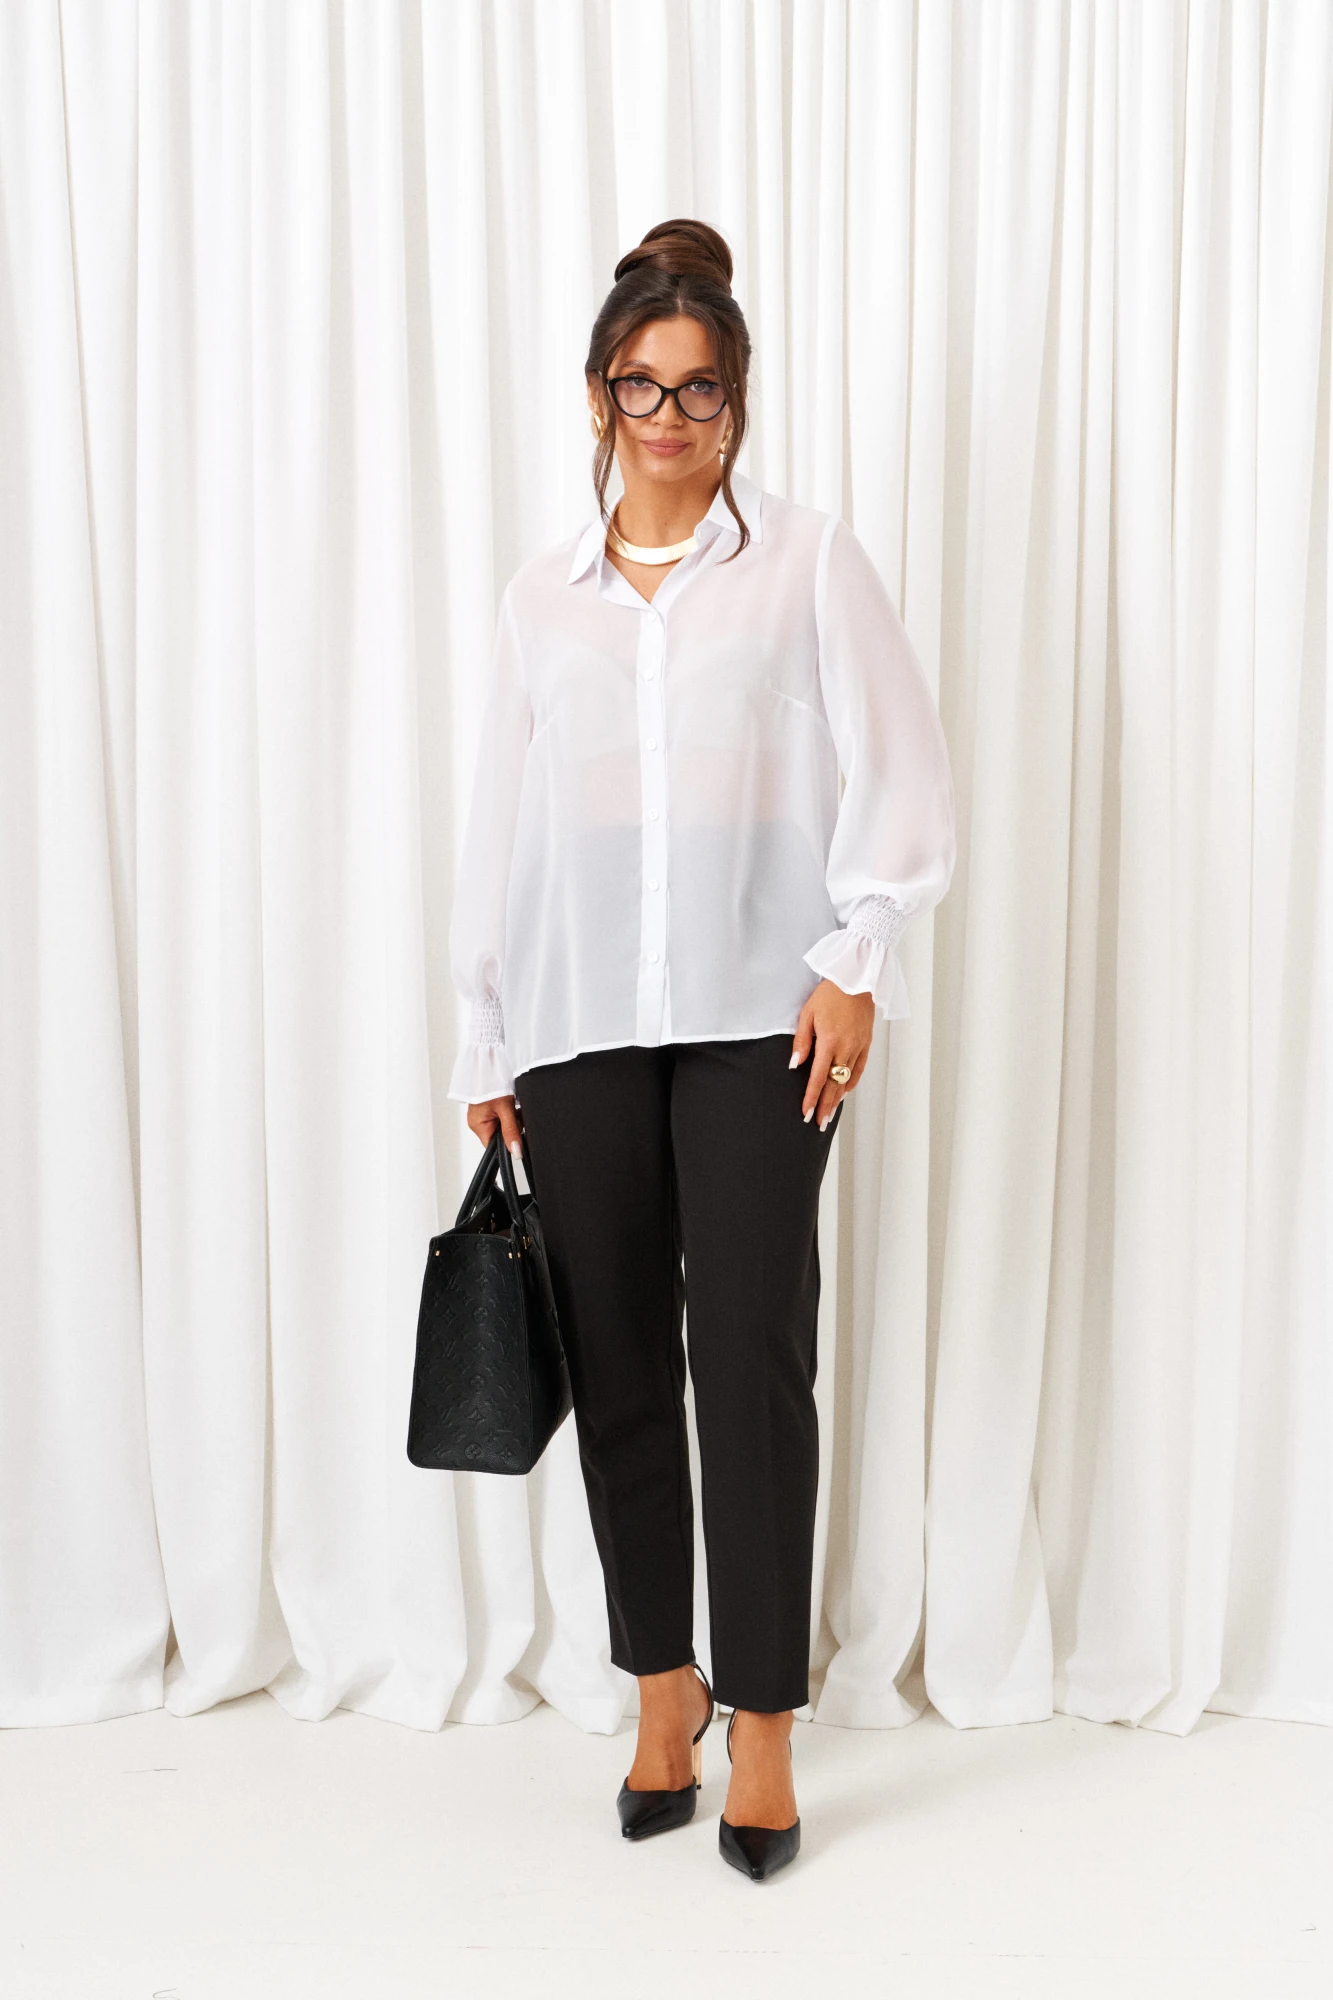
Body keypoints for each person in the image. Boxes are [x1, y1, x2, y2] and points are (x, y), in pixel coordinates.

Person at [446, 218, 956, 1881]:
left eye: (701, 390)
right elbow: (506, 821)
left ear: (739, 400)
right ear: (599, 396)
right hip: (580, 1020)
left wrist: (857, 956)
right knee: (614, 1360)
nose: (670, 417)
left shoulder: (808, 564)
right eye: (640, 386)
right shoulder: (543, 601)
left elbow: (900, 763)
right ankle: (659, 1688)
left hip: (761, 1017)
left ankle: (764, 1721)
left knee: (748, 1356)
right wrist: (485, 1023)